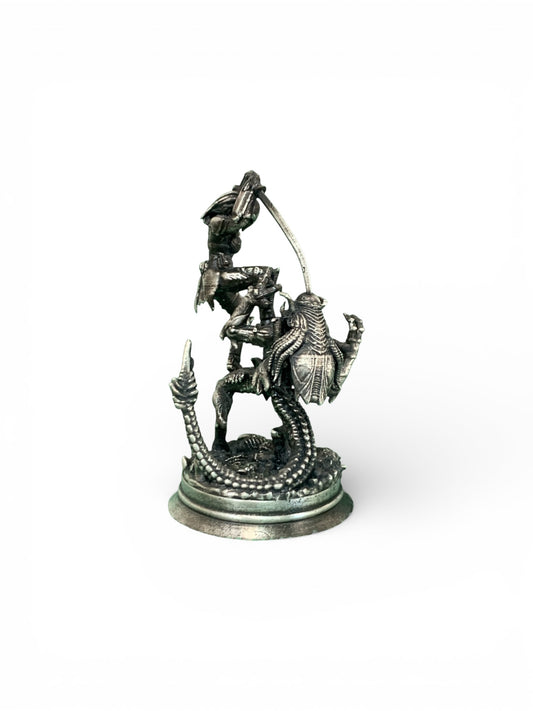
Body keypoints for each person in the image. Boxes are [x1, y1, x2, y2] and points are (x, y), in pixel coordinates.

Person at [194, 171, 280, 371]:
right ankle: (267, 323)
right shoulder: (217, 222)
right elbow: (240, 219)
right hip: (218, 277)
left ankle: (233, 360)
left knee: (241, 315)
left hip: (226, 276)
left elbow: (242, 220)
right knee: (263, 273)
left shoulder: (228, 225)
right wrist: (249, 191)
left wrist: (250, 196)